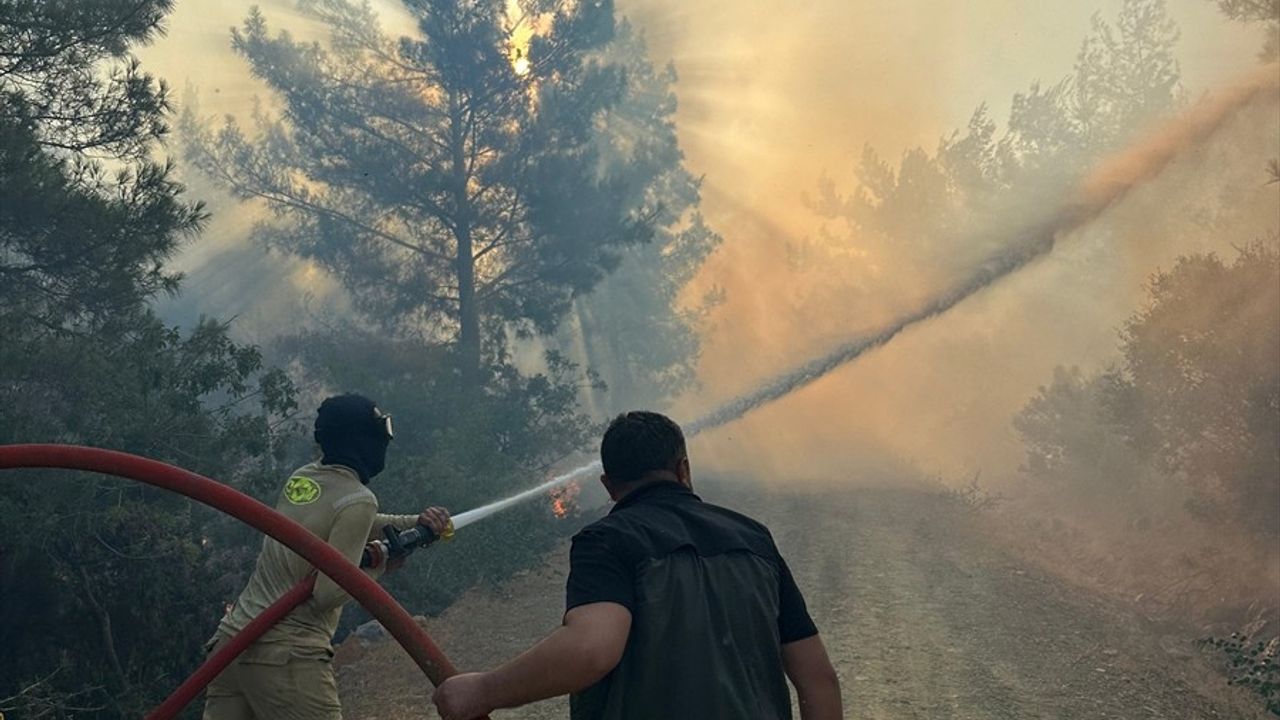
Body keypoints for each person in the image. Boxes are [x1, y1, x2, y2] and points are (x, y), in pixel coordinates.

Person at [432, 410, 842, 720]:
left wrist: (482, 691)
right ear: (683, 469)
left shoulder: (608, 541)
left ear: (609, 486)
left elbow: (591, 650)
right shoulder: (753, 538)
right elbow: (818, 679)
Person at [203, 393, 451, 720]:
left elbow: (337, 524)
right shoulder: (358, 499)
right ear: (362, 438)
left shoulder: (305, 478)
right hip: (286, 654)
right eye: (382, 430)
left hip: (233, 643)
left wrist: (413, 525)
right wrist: (382, 564)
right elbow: (328, 593)